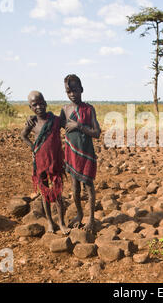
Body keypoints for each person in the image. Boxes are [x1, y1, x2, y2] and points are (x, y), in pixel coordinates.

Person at [21, 91, 70, 235]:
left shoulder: (55, 120)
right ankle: (50, 222)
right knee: (45, 194)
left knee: (58, 193)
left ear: (45, 103)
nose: (39, 106)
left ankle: (61, 223)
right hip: (40, 163)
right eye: (34, 105)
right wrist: (33, 147)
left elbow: (67, 126)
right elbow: (23, 135)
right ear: (30, 107)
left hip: (55, 162)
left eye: (41, 103)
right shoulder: (33, 122)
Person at [60, 75, 101, 234]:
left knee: (89, 187)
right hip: (71, 154)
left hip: (86, 154)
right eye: (68, 91)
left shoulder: (89, 109)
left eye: (75, 91)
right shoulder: (65, 109)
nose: (72, 94)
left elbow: (97, 132)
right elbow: (57, 124)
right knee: (75, 188)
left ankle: (91, 219)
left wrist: (79, 126)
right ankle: (79, 214)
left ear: (81, 90)